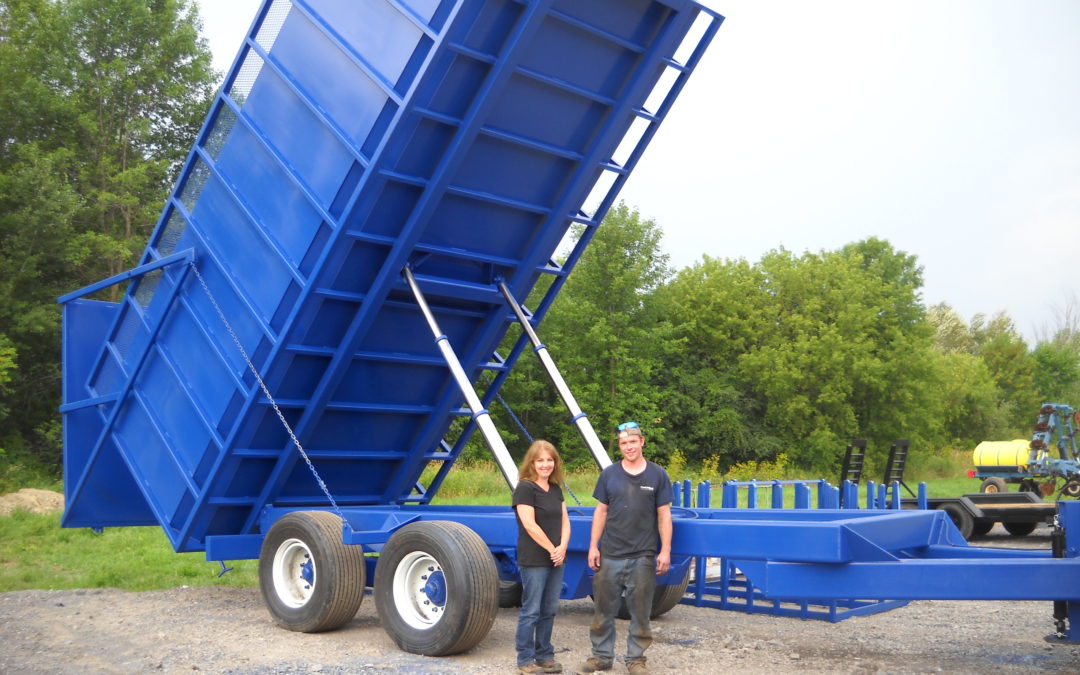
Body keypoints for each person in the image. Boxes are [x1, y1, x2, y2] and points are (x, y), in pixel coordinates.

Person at [577, 421, 673, 675]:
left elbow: (664, 515)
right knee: (603, 609)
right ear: (619, 446)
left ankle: (636, 659)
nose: (628, 447)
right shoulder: (609, 474)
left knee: (640, 611)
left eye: (633, 442)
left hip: (643, 555)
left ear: (642, 442)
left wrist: (665, 551)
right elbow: (601, 512)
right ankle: (601, 657)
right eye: (623, 443)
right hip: (610, 553)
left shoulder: (658, 475)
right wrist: (593, 547)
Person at [513, 439, 572, 674]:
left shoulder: (556, 488)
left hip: (557, 558)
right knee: (532, 610)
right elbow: (529, 525)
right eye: (541, 460)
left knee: (549, 609)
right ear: (532, 463)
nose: (546, 465)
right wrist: (552, 549)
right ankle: (525, 659)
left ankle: (545, 655)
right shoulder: (525, 488)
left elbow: (565, 520)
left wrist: (562, 548)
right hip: (535, 559)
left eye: (550, 460)